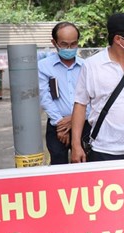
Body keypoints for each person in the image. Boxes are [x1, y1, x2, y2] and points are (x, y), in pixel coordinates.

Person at [70, 12, 124, 220]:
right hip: (103, 149)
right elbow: (80, 105)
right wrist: (76, 145)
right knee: (105, 208)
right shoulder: (92, 66)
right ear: (119, 39)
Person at [38, 22, 89, 164]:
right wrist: (60, 124)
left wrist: (74, 119)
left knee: (84, 165)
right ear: (54, 43)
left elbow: (93, 98)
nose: (69, 48)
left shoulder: (86, 66)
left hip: (85, 125)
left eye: (73, 44)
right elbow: (44, 97)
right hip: (57, 126)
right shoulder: (44, 66)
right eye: (64, 44)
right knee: (58, 165)